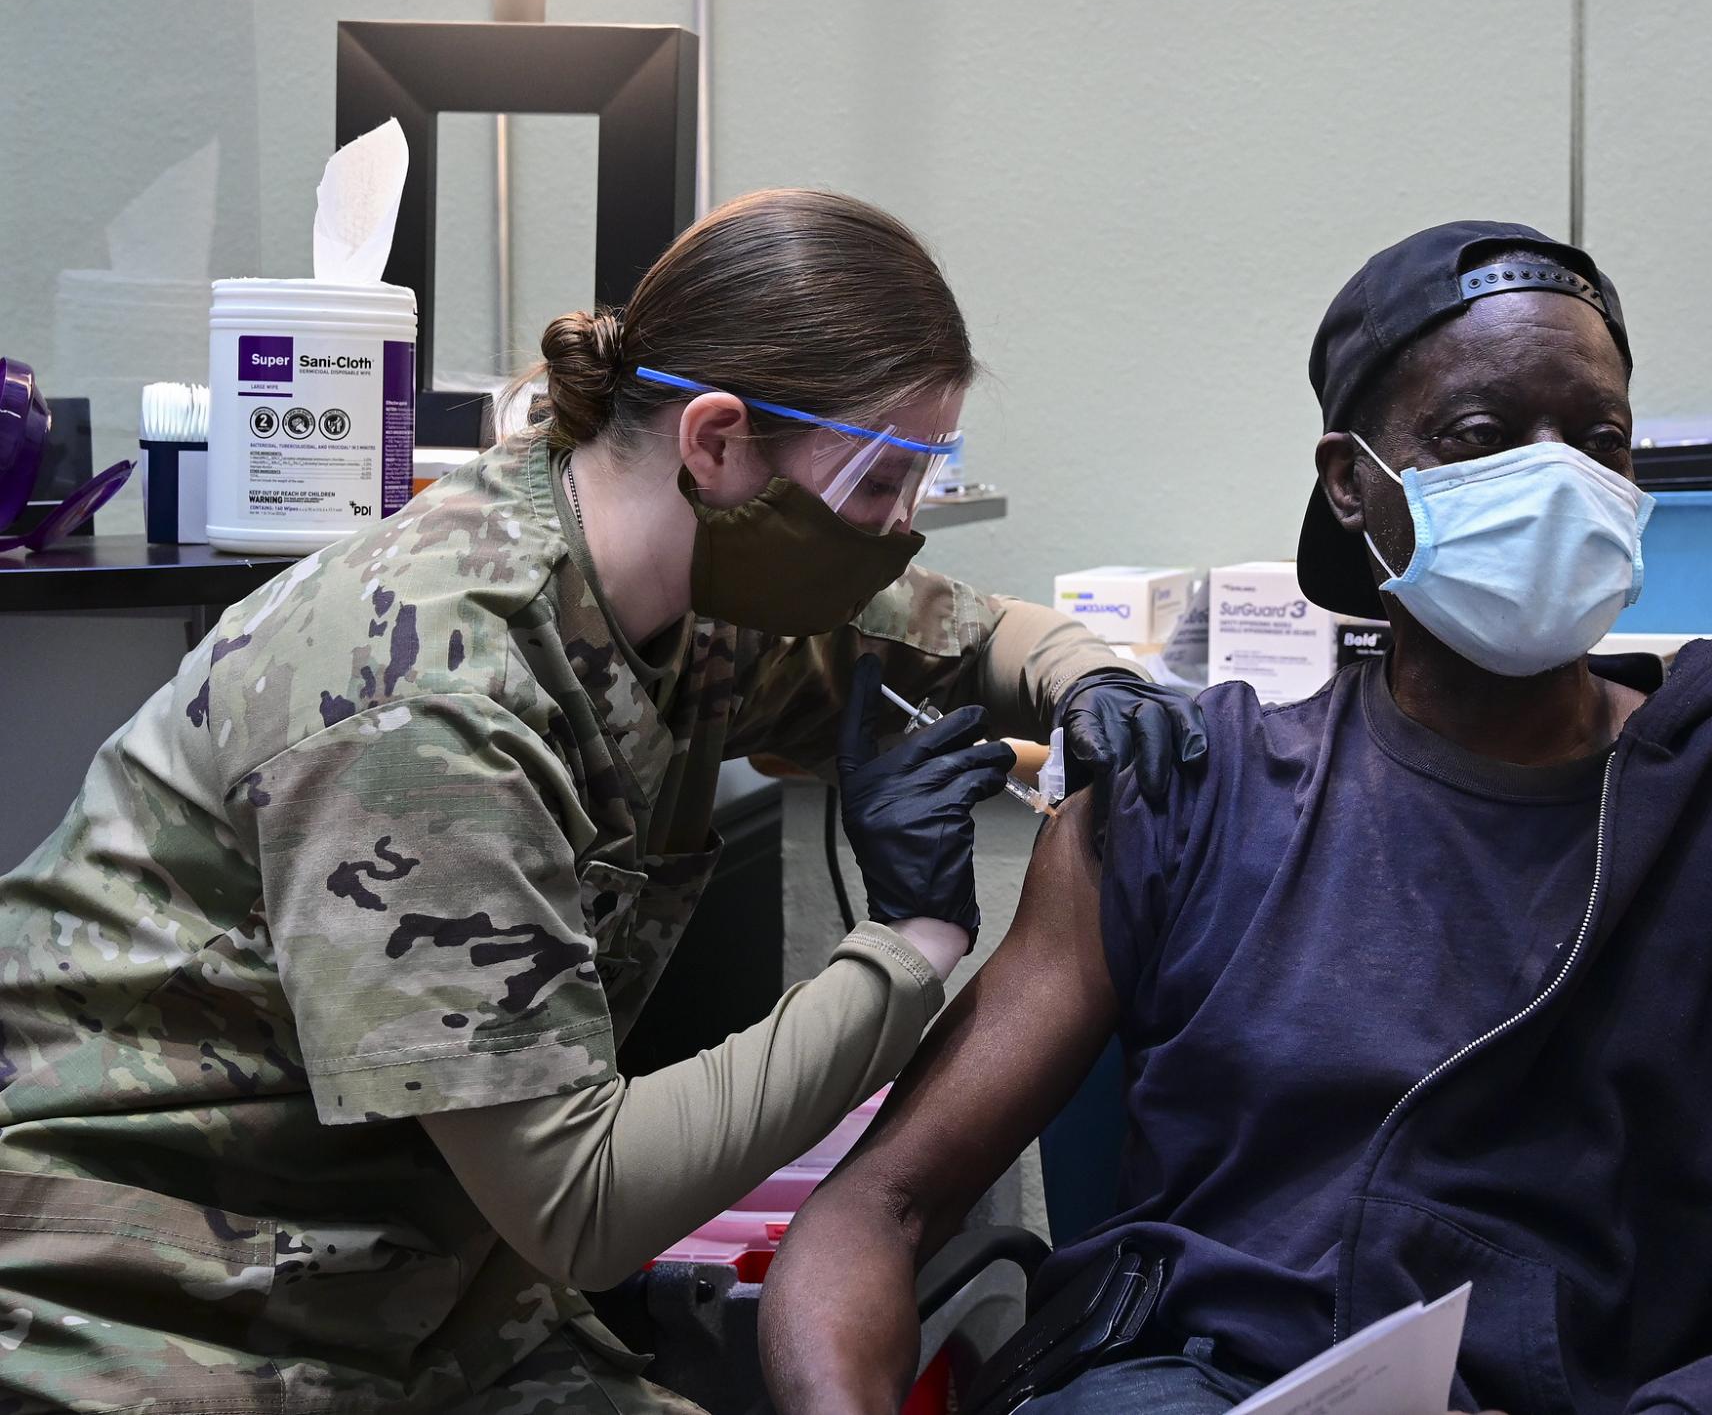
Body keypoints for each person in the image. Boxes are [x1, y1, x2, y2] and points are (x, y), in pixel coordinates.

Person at [760, 221, 1712, 1415]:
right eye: (1480, 434)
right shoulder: (1194, 793)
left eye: (1598, 437)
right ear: (1354, 483)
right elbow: (883, 1210)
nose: (1555, 476)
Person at [0, 188, 1205, 1413]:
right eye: (882, 483)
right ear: (719, 441)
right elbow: (585, 1205)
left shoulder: (687, 582)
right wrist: (905, 947)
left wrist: (1095, 682)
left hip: (432, 1284)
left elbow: (983, 635)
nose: (899, 534)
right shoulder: (428, 705)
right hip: (148, 1305)